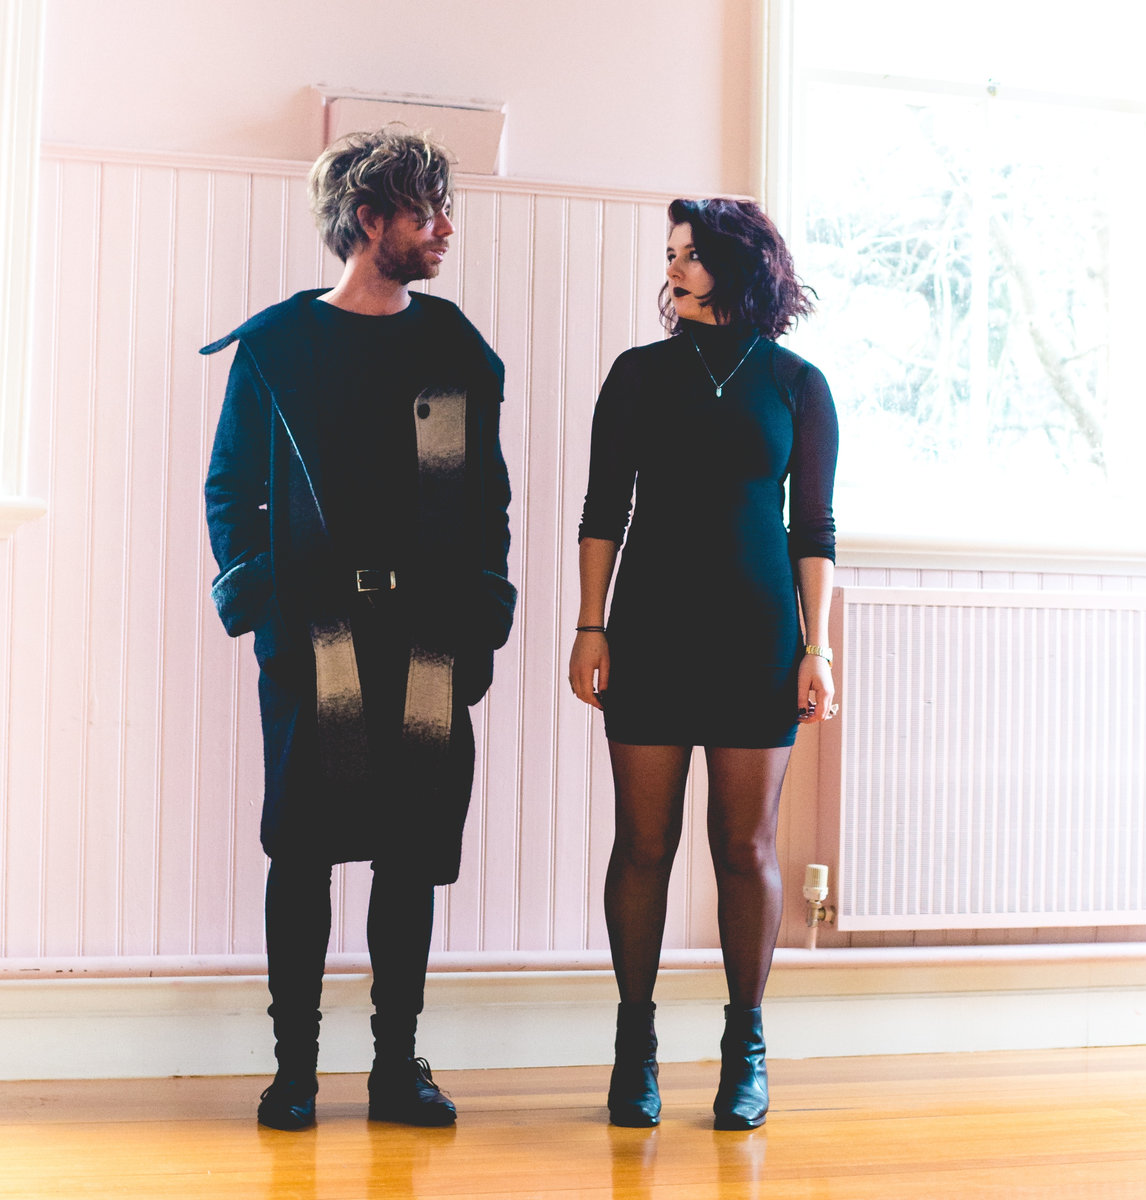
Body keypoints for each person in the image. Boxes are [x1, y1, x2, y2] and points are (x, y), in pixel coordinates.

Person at [202, 128, 516, 1131]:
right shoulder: (279, 348)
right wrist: (265, 605)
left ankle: (393, 1070)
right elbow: (231, 490)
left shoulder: (453, 346)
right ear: (370, 220)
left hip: (428, 640)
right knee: (303, 849)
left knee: (410, 849)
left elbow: (486, 499)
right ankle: (294, 1071)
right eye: (427, 213)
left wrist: (482, 616)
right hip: (318, 637)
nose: (446, 229)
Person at [568, 197, 838, 1131]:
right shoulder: (638, 375)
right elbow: (602, 509)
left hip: (758, 640)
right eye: (671, 254)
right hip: (648, 632)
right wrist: (590, 626)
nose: (673, 269)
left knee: (745, 848)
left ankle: (745, 1050)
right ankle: (633, 1046)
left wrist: (816, 647)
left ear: (738, 266)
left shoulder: (798, 384)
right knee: (643, 844)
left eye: (690, 255)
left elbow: (815, 531)